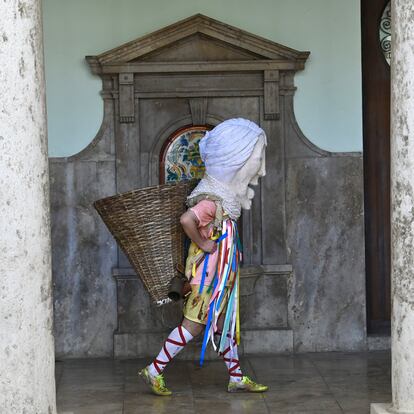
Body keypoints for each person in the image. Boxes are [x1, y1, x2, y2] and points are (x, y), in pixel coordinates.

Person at [139, 118, 268, 396]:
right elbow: (187, 220)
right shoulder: (211, 200)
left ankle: (236, 376)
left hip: (217, 279)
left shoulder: (224, 200)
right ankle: (153, 370)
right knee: (192, 327)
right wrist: (205, 245)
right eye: (256, 158)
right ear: (236, 160)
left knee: (222, 326)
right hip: (206, 280)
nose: (260, 166)